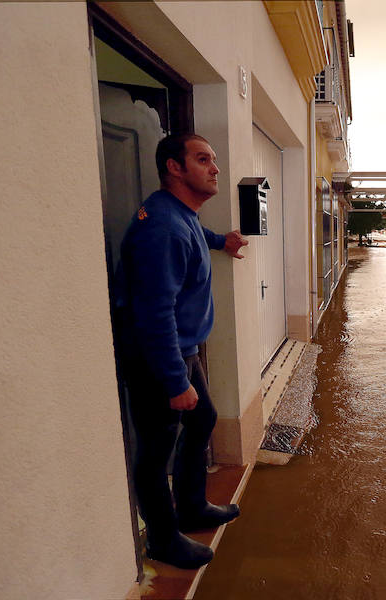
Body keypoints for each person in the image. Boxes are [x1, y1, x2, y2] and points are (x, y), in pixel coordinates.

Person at [117, 133, 248, 569]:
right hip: (159, 354)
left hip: (181, 349)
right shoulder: (163, 228)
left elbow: (192, 235)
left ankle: (191, 507)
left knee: (203, 419)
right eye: (203, 159)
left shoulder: (179, 215)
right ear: (175, 167)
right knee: (156, 449)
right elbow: (154, 313)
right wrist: (175, 381)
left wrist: (220, 240)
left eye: (213, 159)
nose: (215, 168)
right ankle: (162, 539)